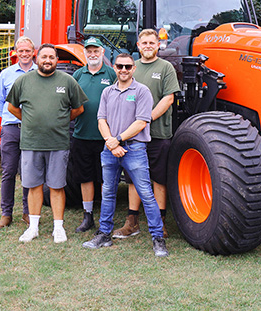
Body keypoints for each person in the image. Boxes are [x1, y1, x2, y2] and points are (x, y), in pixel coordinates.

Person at [82, 53, 168, 257]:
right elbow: (101, 120)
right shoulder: (107, 92)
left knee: (146, 194)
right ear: (114, 67)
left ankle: (158, 238)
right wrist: (112, 144)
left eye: (127, 67)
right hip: (110, 149)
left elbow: (141, 122)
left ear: (133, 69)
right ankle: (104, 234)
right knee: (108, 193)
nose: (123, 70)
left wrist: (117, 139)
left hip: (134, 149)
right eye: (119, 66)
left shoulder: (142, 91)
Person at [6, 43, 88, 243]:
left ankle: (58, 228)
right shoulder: (23, 81)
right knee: (34, 186)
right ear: (37, 59)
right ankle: (33, 228)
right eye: (44, 57)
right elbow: (12, 107)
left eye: (52, 57)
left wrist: (59, 120)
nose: (48, 60)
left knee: (57, 186)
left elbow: (78, 109)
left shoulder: (67, 81)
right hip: (31, 143)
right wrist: (31, 120)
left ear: (57, 60)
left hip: (58, 143)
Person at [113, 29, 180, 239]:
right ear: (138, 46)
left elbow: (168, 99)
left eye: (152, 42)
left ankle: (160, 222)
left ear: (158, 45)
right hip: (133, 137)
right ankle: (132, 222)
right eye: (144, 43)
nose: (148, 46)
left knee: (159, 178)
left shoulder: (166, 67)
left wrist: (145, 119)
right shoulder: (132, 67)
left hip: (158, 134)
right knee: (133, 178)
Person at [70, 37, 116, 232]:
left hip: (106, 138)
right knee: (85, 177)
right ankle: (88, 216)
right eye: (89, 51)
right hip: (82, 135)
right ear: (85, 53)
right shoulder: (78, 75)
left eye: (96, 50)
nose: (92, 54)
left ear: (102, 52)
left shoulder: (112, 73)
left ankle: (106, 218)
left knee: (107, 179)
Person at [0, 36, 36, 229]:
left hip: (33, 129)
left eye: (28, 51)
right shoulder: (6, 74)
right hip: (11, 129)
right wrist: (4, 123)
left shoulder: (40, 72)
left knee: (29, 172)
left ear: (33, 52)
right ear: (15, 53)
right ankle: (6, 213)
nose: (24, 54)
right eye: (21, 51)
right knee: (8, 171)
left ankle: (27, 212)